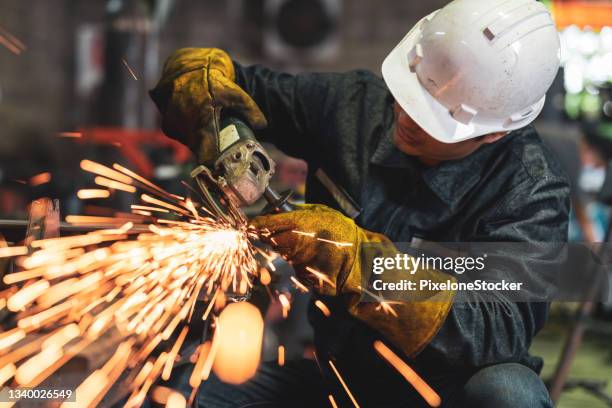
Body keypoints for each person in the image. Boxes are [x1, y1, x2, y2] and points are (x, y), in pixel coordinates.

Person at [149, 0, 569, 406]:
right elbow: (238, 87)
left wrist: (358, 264)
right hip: (340, 381)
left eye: (429, 117)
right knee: (185, 393)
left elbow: (498, 329)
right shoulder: (354, 106)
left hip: (445, 393)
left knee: (509, 394)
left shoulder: (531, 191)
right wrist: (201, 82)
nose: (404, 116)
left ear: (492, 133)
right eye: (409, 92)